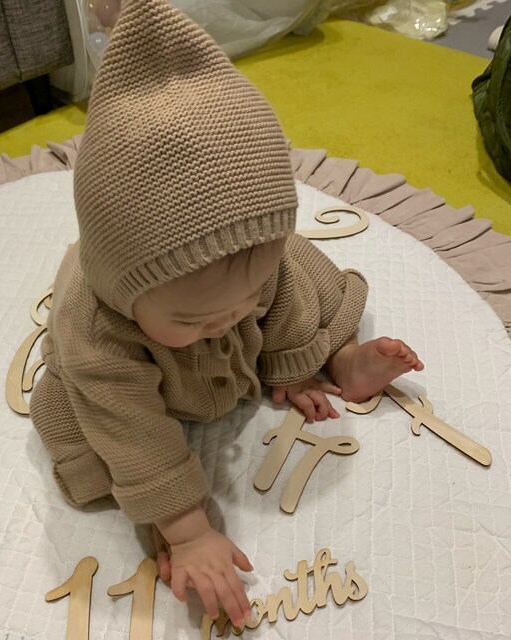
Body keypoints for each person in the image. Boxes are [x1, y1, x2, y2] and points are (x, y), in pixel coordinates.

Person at [29, 0, 423, 629]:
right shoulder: (97, 327)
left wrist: (295, 360)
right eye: (192, 320)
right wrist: (186, 529)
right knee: (75, 422)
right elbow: (131, 427)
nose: (223, 321)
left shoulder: (252, 269)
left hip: (240, 293)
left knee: (295, 270)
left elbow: (278, 295)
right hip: (125, 398)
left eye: (242, 298)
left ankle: (340, 360)